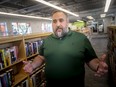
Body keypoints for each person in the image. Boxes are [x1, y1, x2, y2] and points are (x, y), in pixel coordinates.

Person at [23, 10, 108, 87]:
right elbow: (41, 57)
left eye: (61, 20)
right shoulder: (47, 41)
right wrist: (33, 65)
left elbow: (90, 59)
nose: (58, 24)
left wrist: (97, 66)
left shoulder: (81, 39)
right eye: (54, 21)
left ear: (67, 22)